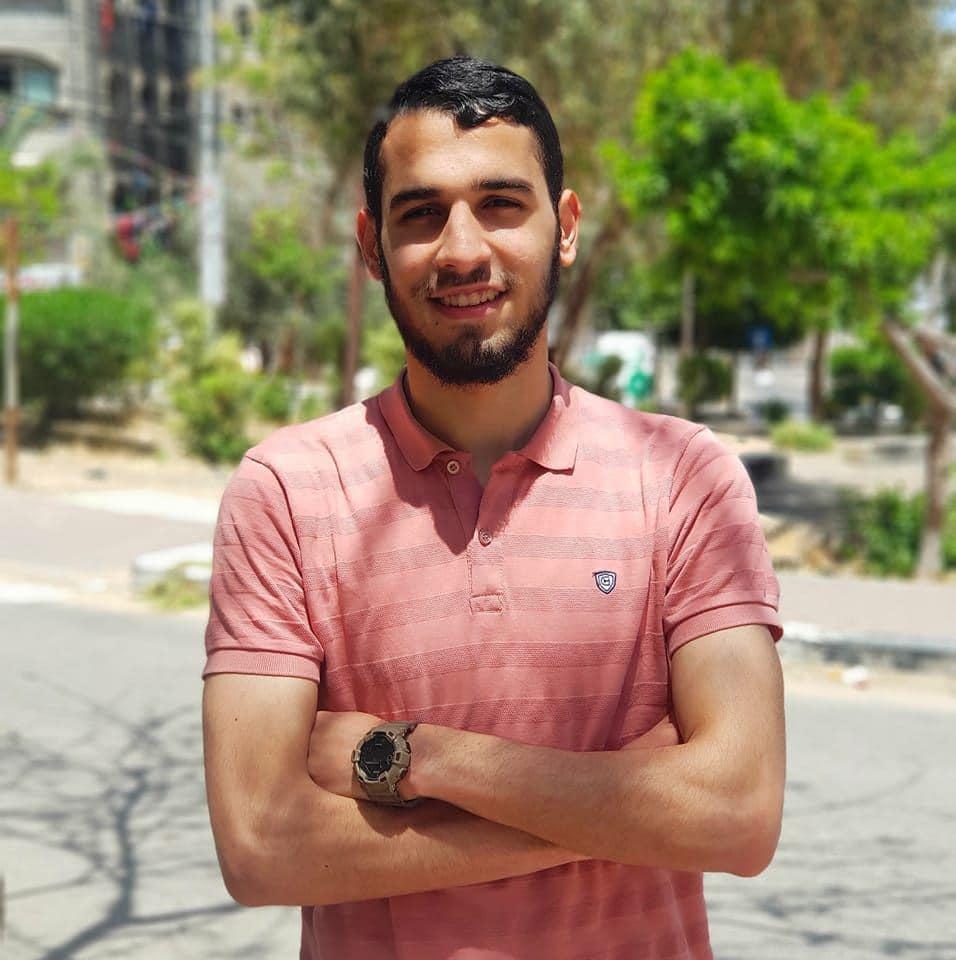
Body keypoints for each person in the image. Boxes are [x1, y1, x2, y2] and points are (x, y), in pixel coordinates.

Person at [202, 56, 786, 960]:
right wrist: (628, 803)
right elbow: (262, 847)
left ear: (566, 227)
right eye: (420, 214)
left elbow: (739, 815)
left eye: (502, 203)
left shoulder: (682, 477)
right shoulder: (286, 490)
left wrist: (415, 757)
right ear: (370, 246)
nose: (462, 250)